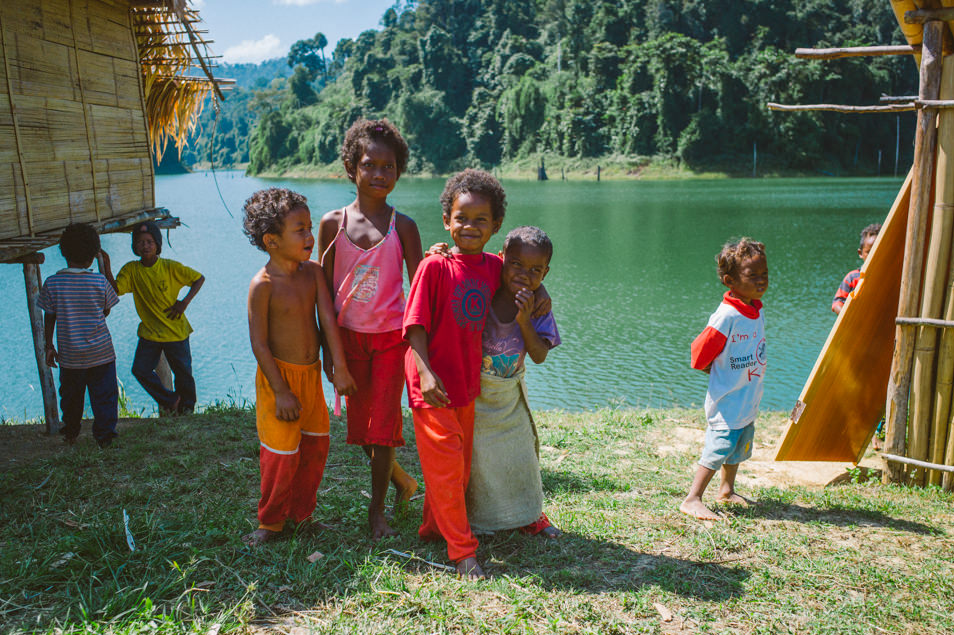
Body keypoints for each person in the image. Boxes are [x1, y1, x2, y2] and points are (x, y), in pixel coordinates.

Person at [318, 118, 422, 540]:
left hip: (389, 341)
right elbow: (321, 293)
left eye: (390, 166)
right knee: (362, 428)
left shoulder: (405, 226)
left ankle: (376, 511)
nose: (380, 174)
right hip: (346, 341)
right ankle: (401, 481)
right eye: (370, 164)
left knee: (384, 428)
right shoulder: (332, 224)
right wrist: (329, 350)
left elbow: (421, 288)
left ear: (399, 171)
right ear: (350, 167)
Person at [403, 169, 507, 579]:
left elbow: (526, 274)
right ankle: (463, 552)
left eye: (481, 220)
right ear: (446, 219)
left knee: (458, 469)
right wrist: (426, 375)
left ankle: (432, 528)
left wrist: (541, 293)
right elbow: (414, 326)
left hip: (465, 382)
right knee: (447, 465)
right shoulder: (434, 267)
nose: (469, 227)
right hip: (431, 381)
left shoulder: (494, 267)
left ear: (495, 226)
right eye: (461, 218)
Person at [242, 187, 356, 547]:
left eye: (309, 227)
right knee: (279, 456)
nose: (310, 237)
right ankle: (270, 523)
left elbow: (327, 322)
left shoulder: (314, 273)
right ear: (271, 240)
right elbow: (259, 343)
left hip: (310, 379)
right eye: (300, 230)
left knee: (314, 451)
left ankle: (302, 516)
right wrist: (280, 391)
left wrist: (339, 367)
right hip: (280, 381)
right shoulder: (262, 285)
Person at [465, 226, 562, 539]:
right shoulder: (485, 288)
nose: (524, 274)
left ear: (546, 272)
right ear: (500, 259)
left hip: (509, 394)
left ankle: (530, 515)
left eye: (535, 270)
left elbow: (539, 355)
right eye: (516, 264)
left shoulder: (537, 309)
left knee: (522, 456)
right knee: (480, 460)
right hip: (476, 393)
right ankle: (481, 517)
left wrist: (525, 320)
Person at [681, 238, 767, 521]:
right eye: (752, 275)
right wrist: (714, 370)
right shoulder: (726, 316)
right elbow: (699, 354)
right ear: (730, 280)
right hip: (727, 400)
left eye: (764, 273)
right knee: (718, 448)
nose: (761, 280)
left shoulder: (755, 308)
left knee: (738, 445)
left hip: (747, 397)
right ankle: (692, 498)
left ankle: (727, 490)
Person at [101, 221, 204, 415]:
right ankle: (170, 399)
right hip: (150, 333)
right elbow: (115, 291)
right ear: (134, 246)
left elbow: (199, 278)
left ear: (157, 244)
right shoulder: (131, 270)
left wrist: (184, 302)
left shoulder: (169, 267)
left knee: (183, 374)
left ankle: (187, 410)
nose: (145, 246)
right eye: (140, 242)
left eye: (149, 242)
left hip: (175, 331)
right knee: (140, 370)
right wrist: (106, 267)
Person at [38, 224, 120, 448]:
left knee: (71, 398)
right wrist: (105, 267)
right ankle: (104, 437)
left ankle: (71, 432)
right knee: (104, 397)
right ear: (94, 255)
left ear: (64, 252)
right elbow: (106, 310)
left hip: (71, 355)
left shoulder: (53, 283)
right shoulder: (98, 281)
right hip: (101, 352)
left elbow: (49, 315)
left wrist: (49, 345)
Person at [831, 223, 881, 315]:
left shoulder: (887, 276)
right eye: (869, 252)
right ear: (860, 253)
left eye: (878, 251)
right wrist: (846, 316)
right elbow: (837, 302)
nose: (873, 255)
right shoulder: (852, 277)